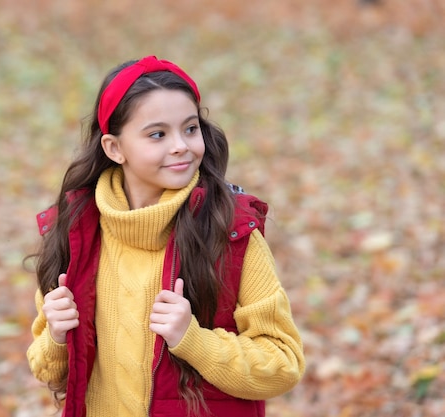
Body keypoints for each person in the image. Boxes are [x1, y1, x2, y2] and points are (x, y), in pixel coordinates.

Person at [26, 55, 305, 417]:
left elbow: (284, 364)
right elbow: (46, 367)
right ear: (114, 148)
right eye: (158, 134)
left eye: (190, 129)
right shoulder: (75, 232)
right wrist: (57, 337)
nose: (181, 146)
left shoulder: (230, 233)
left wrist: (194, 339)